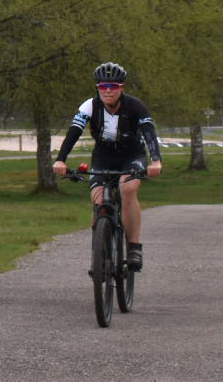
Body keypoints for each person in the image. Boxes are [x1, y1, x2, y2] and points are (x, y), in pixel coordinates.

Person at [52, 62, 163, 273]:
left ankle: (134, 247)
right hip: (103, 157)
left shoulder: (135, 106)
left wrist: (156, 160)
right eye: (103, 86)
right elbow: (73, 132)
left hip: (132, 155)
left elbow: (149, 132)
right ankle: (99, 253)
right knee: (98, 201)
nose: (108, 90)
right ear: (98, 87)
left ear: (121, 87)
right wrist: (60, 160)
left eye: (113, 86)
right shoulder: (89, 106)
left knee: (127, 189)